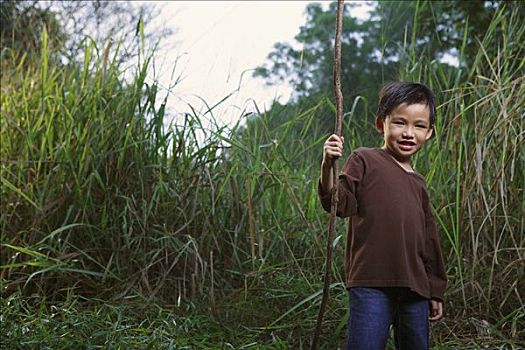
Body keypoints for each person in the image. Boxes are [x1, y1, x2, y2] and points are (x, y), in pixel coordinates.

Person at [318, 82, 447, 350]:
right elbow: (338, 204)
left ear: (430, 133)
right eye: (399, 123)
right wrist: (328, 164)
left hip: (415, 288)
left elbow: (429, 241)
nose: (409, 133)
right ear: (381, 124)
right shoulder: (365, 159)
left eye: (419, 126)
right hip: (370, 282)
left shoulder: (419, 183)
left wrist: (435, 290)